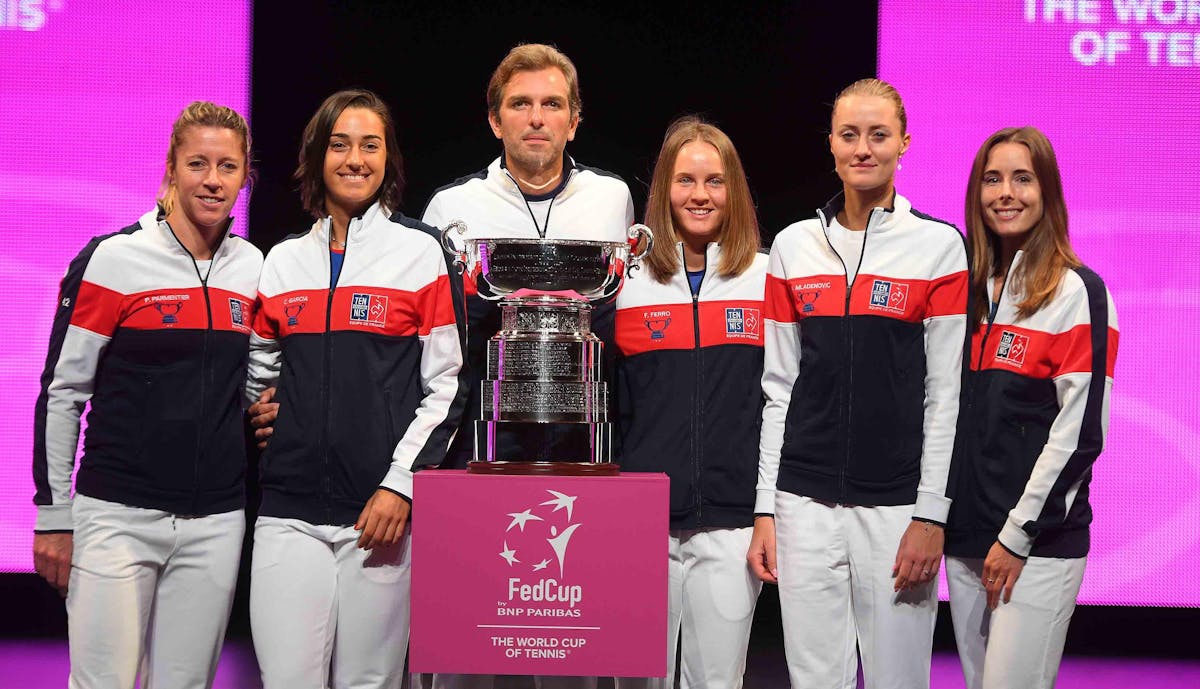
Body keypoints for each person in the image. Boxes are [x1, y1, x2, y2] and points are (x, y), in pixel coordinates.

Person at [31, 101, 261, 689]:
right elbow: (62, 393)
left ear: (244, 177)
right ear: (171, 169)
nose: (212, 180)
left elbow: (259, 379)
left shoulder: (253, 268)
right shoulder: (113, 259)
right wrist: (54, 519)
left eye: (228, 166)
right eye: (198, 163)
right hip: (117, 515)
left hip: (216, 520)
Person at [747, 78, 968, 689]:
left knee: (899, 680)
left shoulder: (939, 247)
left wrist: (931, 513)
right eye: (850, 135)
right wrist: (767, 506)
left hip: (897, 509)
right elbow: (778, 388)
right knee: (816, 679)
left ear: (904, 144)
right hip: (803, 505)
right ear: (832, 145)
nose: (863, 148)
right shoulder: (794, 246)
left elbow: (945, 396)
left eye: (878, 135)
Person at [245, 89, 466, 689]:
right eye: (339, 144)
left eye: (371, 145)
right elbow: (257, 369)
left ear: (388, 158)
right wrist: (258, 409)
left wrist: (399, 487)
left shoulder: (421, 253)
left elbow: (447, 387)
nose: (354, 159)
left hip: (380, 518)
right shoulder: (282, 261)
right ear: (318, 156)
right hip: (288, 514)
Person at [944, 126, 1118, 689]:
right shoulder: (965, 292)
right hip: (965, 539)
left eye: (1023, 178)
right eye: (992, 179)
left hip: (1037, 547)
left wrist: (1017, 535)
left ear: (1048, 192)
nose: (1006, 193)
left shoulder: (1078, 293)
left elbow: (1079, 435)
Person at [420, 42, 635, 471]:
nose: (536, 118)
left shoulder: (612, 197)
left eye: (551, 104)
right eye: (520, 103)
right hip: (477, 435)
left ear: (573, 122)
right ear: (495, 122)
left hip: (586, 431)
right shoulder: (451, 206)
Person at [612, 116, 766, 688]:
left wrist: (765, 509)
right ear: (662, 190)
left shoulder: (766, 279)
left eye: (715, 181)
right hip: (639, 521)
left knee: (716, 682)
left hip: (730, 524)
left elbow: (779, 404)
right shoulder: (625, 283)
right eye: (685, 180)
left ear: (735, 191)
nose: (699, 195)